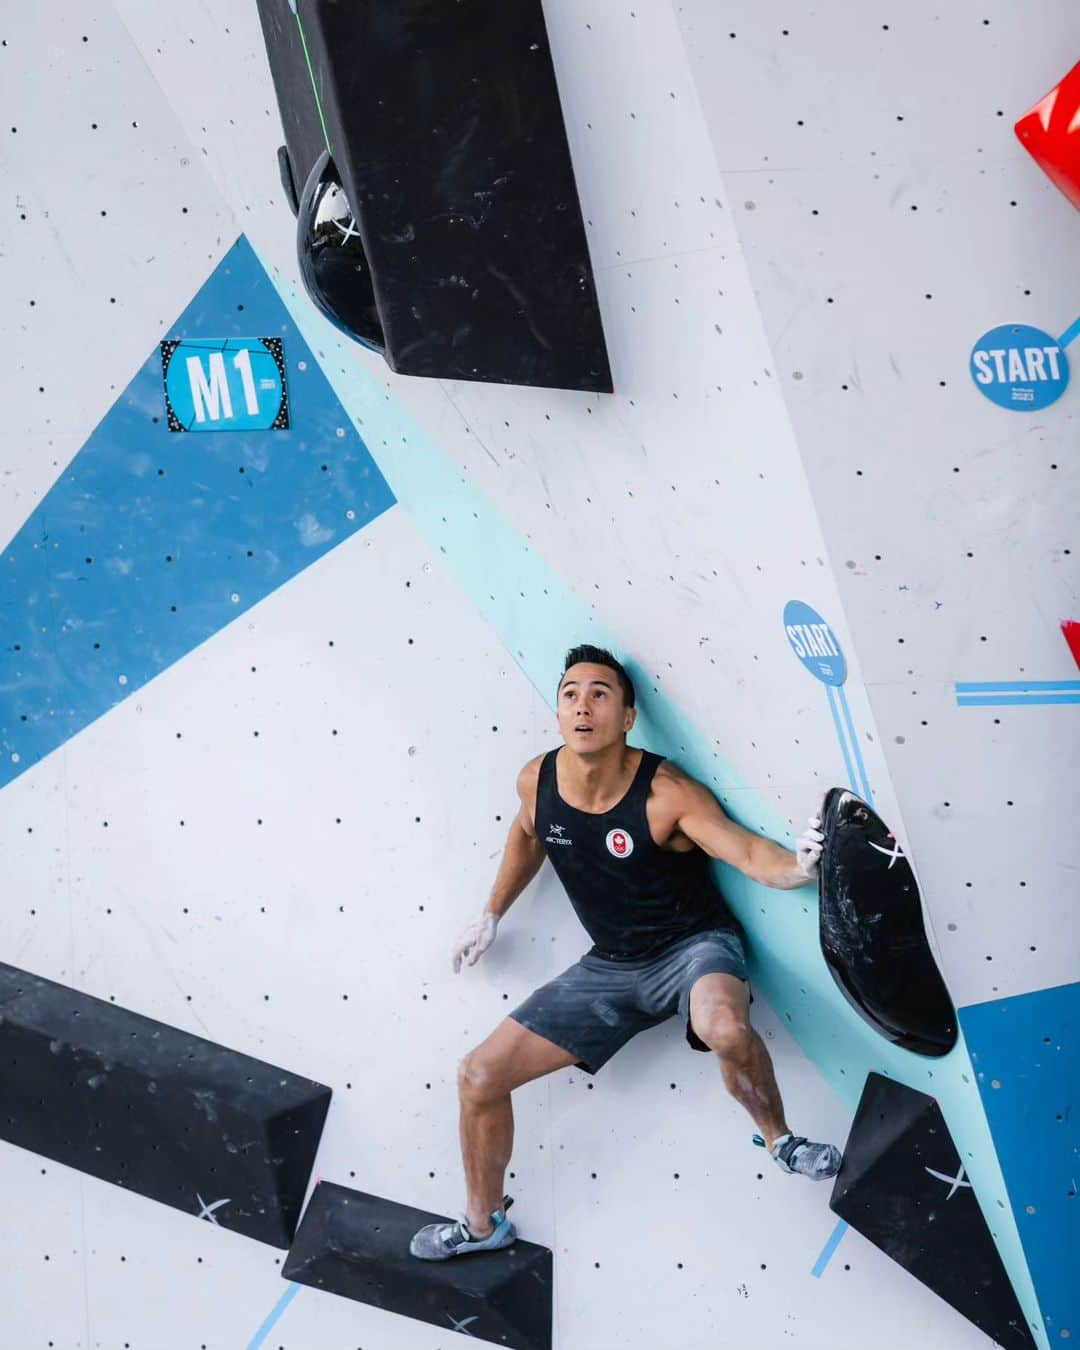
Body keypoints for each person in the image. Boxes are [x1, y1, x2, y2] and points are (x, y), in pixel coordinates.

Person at [410, 644, 837, 1261]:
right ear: (558, 713)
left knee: (721, 1026)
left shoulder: (666, 792)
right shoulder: (537, 779)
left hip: (695, 948)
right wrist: (491, 915)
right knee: (478, 1076)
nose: (583, 706)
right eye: (570, 694)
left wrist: (798, 869)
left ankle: (781, 1141)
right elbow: (528, 835)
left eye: (600, 694)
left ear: (628, 717)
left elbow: (745, 853)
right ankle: (483, 1226)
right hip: (610, 967)